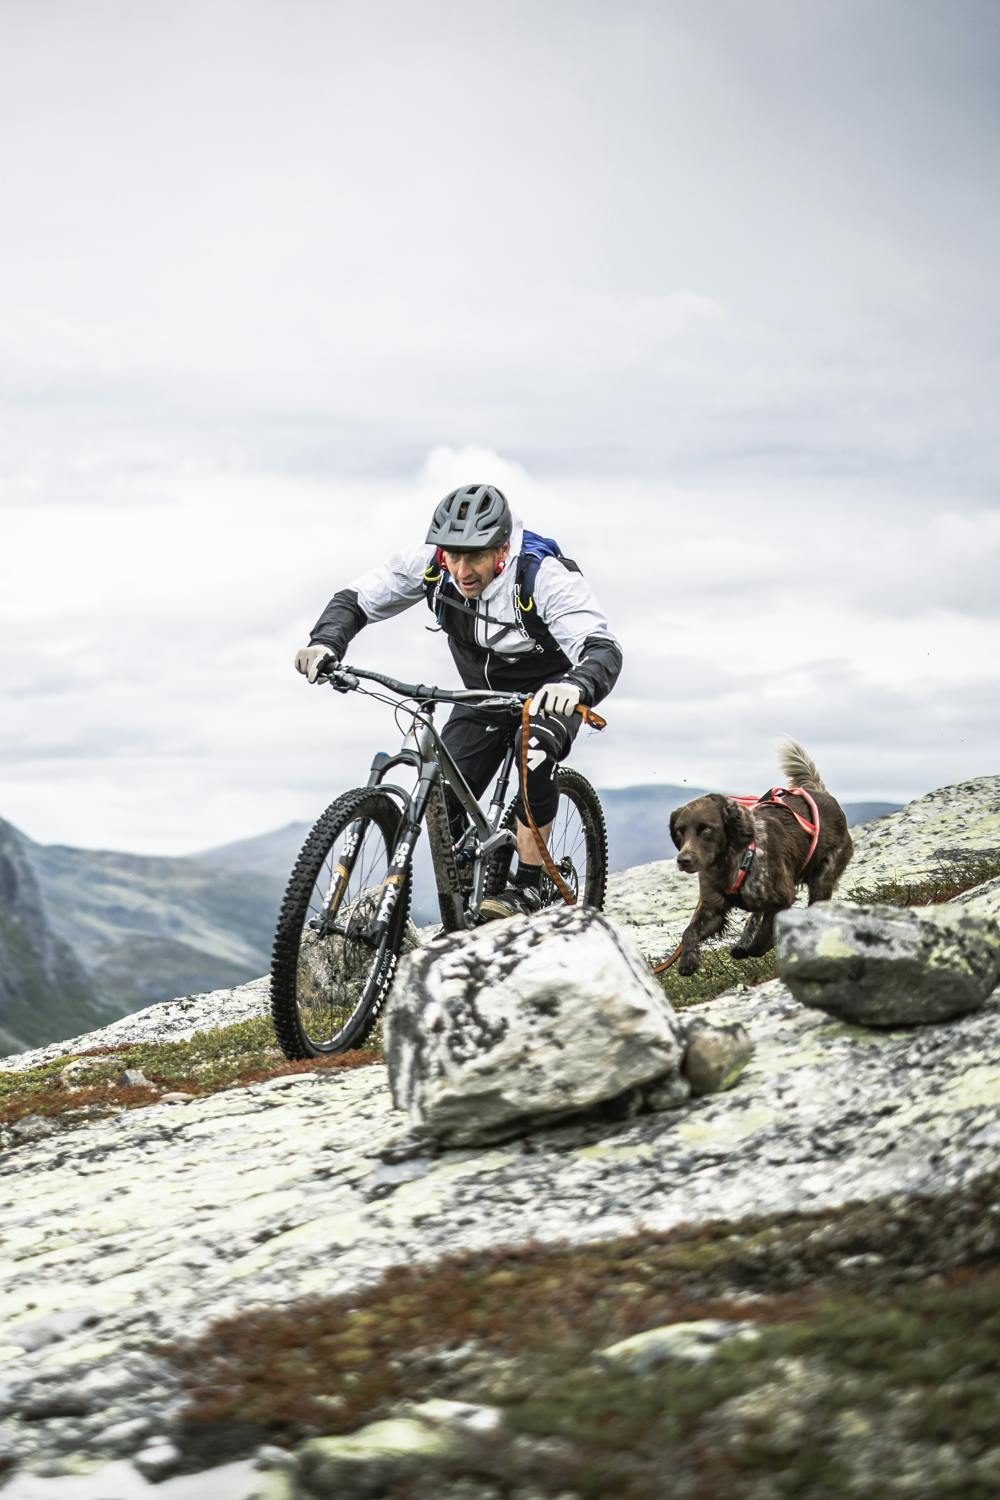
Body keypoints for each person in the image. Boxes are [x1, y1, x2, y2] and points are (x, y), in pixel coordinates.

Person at [294, 483, 622, 918]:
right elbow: (356, 600)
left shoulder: (540, 575)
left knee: (535, 750)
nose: (462, 570)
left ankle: (529, 883)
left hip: (549, 691)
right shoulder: (431, 565)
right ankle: (467, 895)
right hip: (480, 694)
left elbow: (601, 647)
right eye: (454, 556)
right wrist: (325, 643)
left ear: (502, 550)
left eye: (476, 557)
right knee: (443, 801)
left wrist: (577, 686)